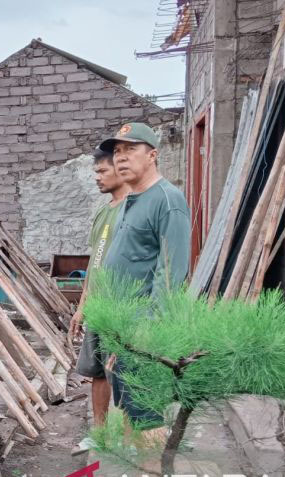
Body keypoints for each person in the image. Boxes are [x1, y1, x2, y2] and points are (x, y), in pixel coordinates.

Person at [98, 122, 191, 436]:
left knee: (147, 420)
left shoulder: (168, 200)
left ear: (152, 155)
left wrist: (147, 332)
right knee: (126, 409)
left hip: (144, 334)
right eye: (117, 152)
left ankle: (149, 468)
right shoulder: (130, 201)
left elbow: (171, 272)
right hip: (123, 332)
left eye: (130, 149)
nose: (120, 158)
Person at [69, 148, 131, 455]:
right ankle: (100, 434)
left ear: (120, 171)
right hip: (98, 306)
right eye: (96, 173)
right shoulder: (103, 211)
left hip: (125, 307)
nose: (97, 178)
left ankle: (134, 443)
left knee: (129, 373)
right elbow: (95, 262)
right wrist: (82, 306)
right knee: (96, 372)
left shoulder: (135, 209)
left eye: (102, 172)